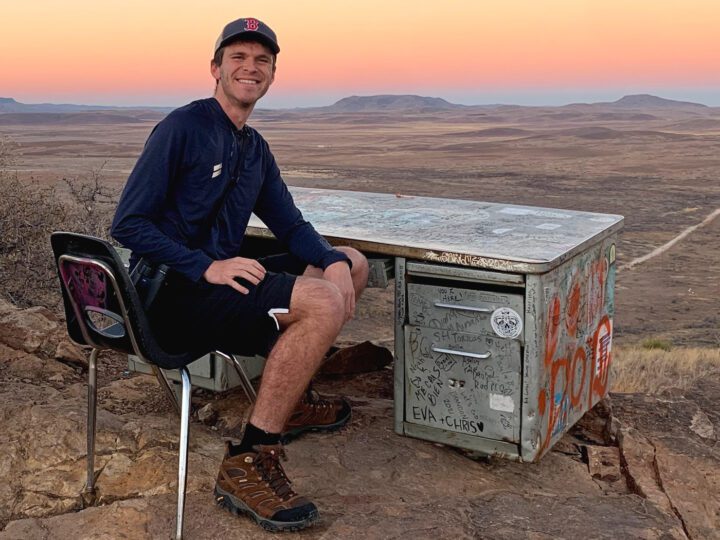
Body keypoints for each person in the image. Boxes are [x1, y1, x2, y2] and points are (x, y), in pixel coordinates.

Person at [111, 17, 369, 532]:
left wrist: (336, 263)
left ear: (271, 75)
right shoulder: (183, 128)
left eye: (262, 61)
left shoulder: (253, 148)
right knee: (321, 303)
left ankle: (288, 405)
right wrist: (206, 265)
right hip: (170, 297)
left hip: (220, 288)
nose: (250, 68)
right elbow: (128, 224)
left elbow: (291, 226)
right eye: (239, 58)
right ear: (216, 68)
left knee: (351, 262)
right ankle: (247, 462)